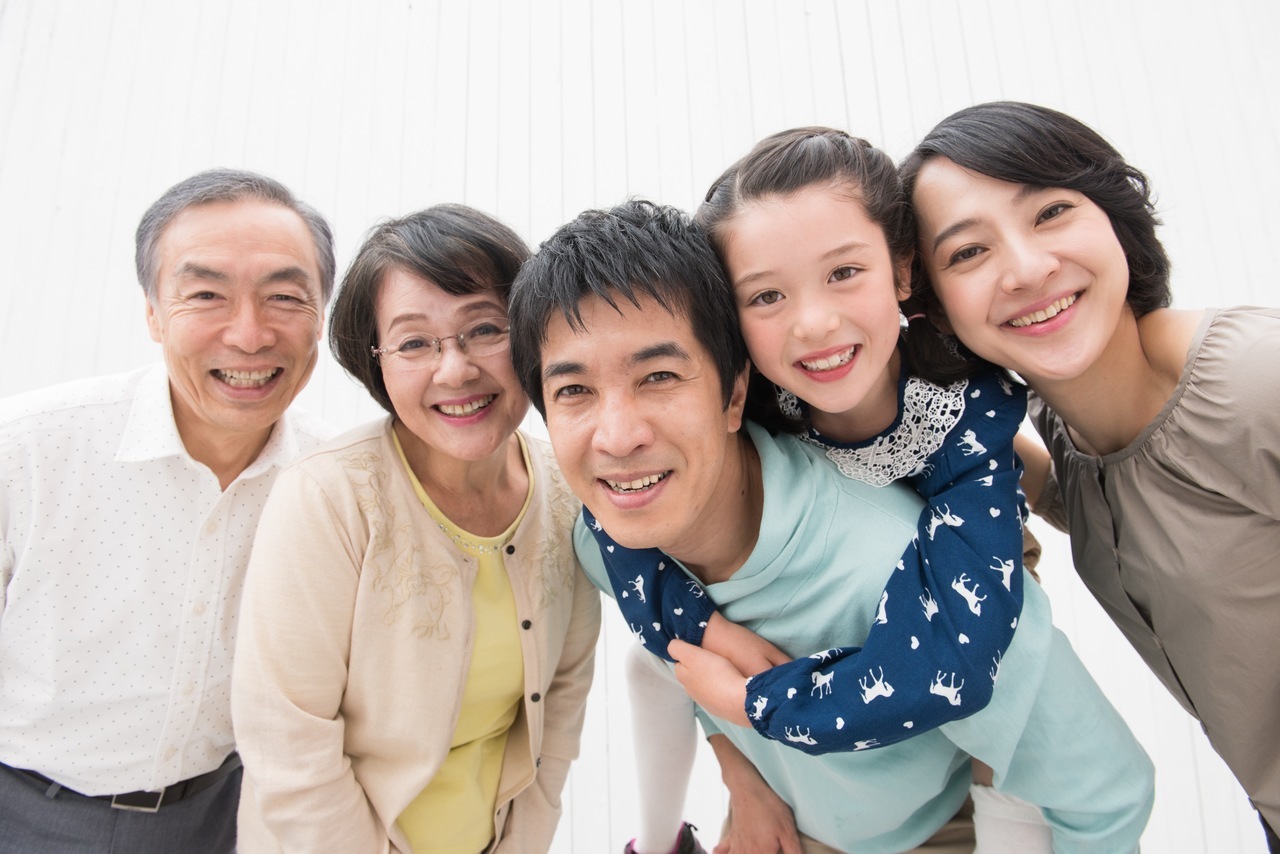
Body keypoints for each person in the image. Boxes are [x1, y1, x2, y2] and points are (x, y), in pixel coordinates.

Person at [509, 198, 1155, 853]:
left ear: (736, 395)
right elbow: (667, 645)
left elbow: (1106, 796)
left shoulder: (908, 576)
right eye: (574, 391)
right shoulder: (608, 534)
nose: (617, 438)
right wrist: (741, 770)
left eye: (659, 377)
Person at [580, 127, 1048, 854]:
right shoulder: (755, 400)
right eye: (765, 294)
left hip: (961, 730)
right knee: (652, 663)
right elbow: (617, 515)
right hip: (808, 770)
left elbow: (950, 670)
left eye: (843, 274)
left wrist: (750, 702)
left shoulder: (966, 418)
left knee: (1023, 760)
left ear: (901, 271)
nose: (814, 323)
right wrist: (736, 748)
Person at [901, 99, 1280, 852]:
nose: (1027, 268)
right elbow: (1110, 500)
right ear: (939, 312)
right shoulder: (1070, 428)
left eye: (1050, 213)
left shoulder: (1252, 380)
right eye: (968, 253)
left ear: (1115, 220)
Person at [231, 205, 601, 853]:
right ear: (376, 362)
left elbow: (558, 724)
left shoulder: (570, 495)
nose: (454, 370)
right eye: (414, 343)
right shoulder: (329, 496)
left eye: (483, 329)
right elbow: (288, 742)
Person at [0, 169, 335, 852]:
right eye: (206, 294)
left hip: (223, 819)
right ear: (152, 312)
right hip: (27, 810)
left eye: (284, 297)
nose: (248, 335)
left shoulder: (335, 483)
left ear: (321, 316)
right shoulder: (27, 450)